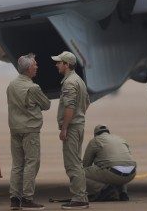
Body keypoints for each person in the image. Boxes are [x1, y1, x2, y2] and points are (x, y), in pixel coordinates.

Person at [6, 54, 51, 210]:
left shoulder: (11, 85)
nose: (37, 67)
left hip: (15, 129)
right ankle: (27, 198)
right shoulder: (33, 87)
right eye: (35, 65)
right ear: (28, 69)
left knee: (17, 164)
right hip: (30, 130)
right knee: (32, 163)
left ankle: (14, 199)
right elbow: (46, 104)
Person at [53, 51, 90, 209]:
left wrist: (65, 128)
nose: (57, 65)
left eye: (59, 62)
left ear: (66, 65)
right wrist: (79, 116)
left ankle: (79, 199)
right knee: (77, 162)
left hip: (73, 127)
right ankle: (80, 196)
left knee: (72, 164)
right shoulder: (79, 80)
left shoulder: (69, 83)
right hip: (78, 125)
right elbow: (87, 102)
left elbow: (69, 107)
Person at [83, 125, 136, 202]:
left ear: (95, 134)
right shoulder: (120, 139)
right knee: (120, 165)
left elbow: (86, 164)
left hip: (113, 173)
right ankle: (123, 193)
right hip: (132, 173)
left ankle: (105, 189)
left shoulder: (95, 141)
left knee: (79, 172)